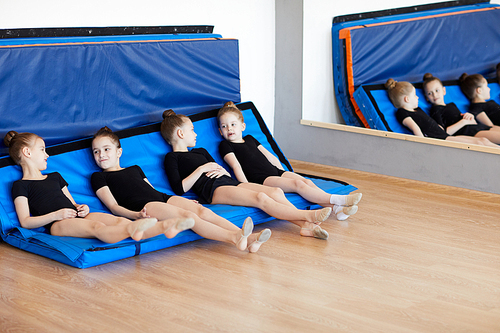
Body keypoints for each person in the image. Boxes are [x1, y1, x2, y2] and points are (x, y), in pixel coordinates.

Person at [91, 127, 269, 253]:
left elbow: (151, 189)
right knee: (189, 217)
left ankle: (249, 238)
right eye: (96, 152)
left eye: (106, 149)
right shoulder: (99, 177)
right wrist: (136, 214)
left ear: (119, 152)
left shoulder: (135, 168)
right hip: (145, 206)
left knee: (201, 211)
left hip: (162, 197)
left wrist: (181, 201)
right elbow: (113, 206)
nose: (102, 155)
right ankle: (234, 238)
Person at [161, 110, 333, 240]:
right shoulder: (172, 157)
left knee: (275, 192)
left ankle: (305, 226)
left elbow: (219, 167)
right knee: (261, 198)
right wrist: (201, 169)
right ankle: (306, 216)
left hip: (228, 181)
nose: (196, 133)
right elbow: (179, 188)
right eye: (192, 129)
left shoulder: (200, 150)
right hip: (213, 189)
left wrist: (221, 170)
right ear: (180, 134)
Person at [4, 131, 193, 244]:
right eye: (42, 149)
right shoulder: (20, 185)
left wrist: (80, 207)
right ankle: (140, 230)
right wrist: (56, 215)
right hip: (57, 224)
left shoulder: (55, 176)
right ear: (27, 152)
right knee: (96, 226)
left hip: (76, 215)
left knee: (119, 221)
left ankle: (166, 226)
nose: (47, 155)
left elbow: (72, 203)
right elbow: (26, 222)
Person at [216, 101, 362, 221]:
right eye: (224, 126)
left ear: (243, 126)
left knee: (307, 182)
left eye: (233, 124)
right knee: (298, 184)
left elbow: (270, 156)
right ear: (220, 131)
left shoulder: (250, 139)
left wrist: (283, 172)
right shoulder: (225, 145)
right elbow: (236, 166)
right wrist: (247, 186)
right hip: (262, 178)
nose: (229, 128)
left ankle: (337, 210)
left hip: (276, 171)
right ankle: (338, 200)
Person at [385, 78, 499, 147]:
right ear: (407, 99)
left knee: (482, 141)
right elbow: (416, 129)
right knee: (479, 143)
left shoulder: (418, 110)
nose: (418, 98)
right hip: (442, 139)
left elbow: (434, 125)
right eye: (415, 95)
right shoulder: (402, 113)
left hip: (443, 136)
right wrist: (424, 146)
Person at [422, 73, 500, 144]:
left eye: (437, 90)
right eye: (430, 93)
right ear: (427, 97)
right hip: (468, 132)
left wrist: (469, 118)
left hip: (475, 127)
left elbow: (466, 120)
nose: (434, 95)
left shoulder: (451, 105)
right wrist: (464, 122)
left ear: (444, 91)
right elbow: (443, 133)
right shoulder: (435, 110)